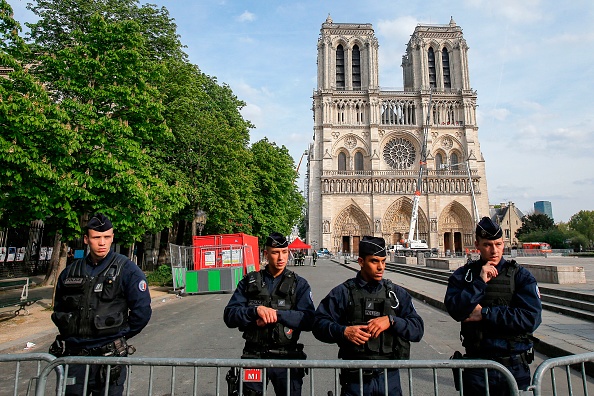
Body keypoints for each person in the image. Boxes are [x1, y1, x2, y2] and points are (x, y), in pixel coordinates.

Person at [49, 213, 152, 396]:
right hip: (75, 357)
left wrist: (120, 336)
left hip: (109, 358)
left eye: (106, 237)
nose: (102, 242)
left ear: (112, 237)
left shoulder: (127, 269)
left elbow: (142, 311)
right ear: (87, 239)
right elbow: (59, 309)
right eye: (97, 237)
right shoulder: (70, 272)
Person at [313, 236, 424, 396]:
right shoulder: (343, 293)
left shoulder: (396, 294)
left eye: (383, 261)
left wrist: (392, 321)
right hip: (355, 380)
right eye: (374, 261)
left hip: (389, 378)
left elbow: (418, 329)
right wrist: (343, 331)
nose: (381, 267)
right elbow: (318, 324)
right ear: (360, 261)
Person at [444, 217, 542, 395]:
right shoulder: (465, 275)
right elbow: (455, 310)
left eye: (498, 244)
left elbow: (531, 318)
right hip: (477, 366)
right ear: (477, 245)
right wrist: (479, 283)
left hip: (514, 366)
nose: (494, 250)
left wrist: (486, 313)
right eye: (488, 244)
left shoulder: (521, 276)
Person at [224, 232, 315, 396]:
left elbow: (309, 319)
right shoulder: (250, 281)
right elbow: (230, 315)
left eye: (285, 252)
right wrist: (255, 312)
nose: (281, 257)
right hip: (254, 357)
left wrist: (277, 315)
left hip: (287, 357)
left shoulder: (299, 284)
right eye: (275, 252)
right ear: (266, 254)